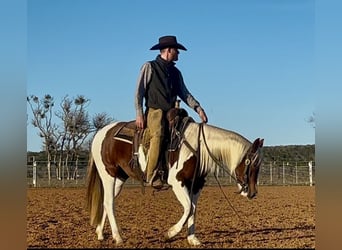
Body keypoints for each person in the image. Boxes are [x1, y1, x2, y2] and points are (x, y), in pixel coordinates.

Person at [135, 35, 208, 188]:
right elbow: (139, 91)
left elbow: (185, 93)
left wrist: (198, 108)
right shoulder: (149, 67)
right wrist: (139, 113)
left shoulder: (176, 72)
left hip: (172, 112)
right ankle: (151, 174)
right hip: (155, 111)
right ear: (168, 51)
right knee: (159, 134)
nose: (178, 54)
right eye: (177, 51)